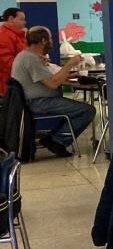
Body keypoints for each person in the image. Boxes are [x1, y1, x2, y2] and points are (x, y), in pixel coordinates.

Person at [11, 26, 95, 157]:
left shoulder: (26, 56)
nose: (52, 41)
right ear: (43, 40)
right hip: (38, 102)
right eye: (50, 38)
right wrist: (69, 64)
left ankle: (54, 139)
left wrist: (68, 75)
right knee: (87, 110)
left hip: (34, 100)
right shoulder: (31, 59)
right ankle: (56, 140)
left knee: (76, 110)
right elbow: (53, 83)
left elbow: (48, 78)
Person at [0, 8, 27, 95]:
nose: (24, 22)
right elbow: (6, 61)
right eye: (21, 19)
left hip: (15, 81)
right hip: (7, 84)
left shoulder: (18, 35)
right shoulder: (4, 35)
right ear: (11, 19)